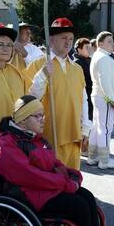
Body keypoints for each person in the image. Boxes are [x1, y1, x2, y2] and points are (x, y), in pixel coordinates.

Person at [0, 95, 100, 226]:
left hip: (44, 190)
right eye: (37, 116)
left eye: (43, 115)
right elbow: (30, 176)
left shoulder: (36, 139)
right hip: (27, 196)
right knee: (79, 206)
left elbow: (55, 164)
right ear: (23, 119)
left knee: (87, 197)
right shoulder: (7, 144)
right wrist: (63, 183)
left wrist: (72, 175)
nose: (43, 120)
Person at [26, 18, 90, 170]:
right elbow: (31, 99)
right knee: (52, 177)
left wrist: (86, 128)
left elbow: (84, 100)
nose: (68, 42)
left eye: (70, 39)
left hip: (74, 133)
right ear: (51, 39)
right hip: (50, 133)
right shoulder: (38, 64)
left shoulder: (77, 68)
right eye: (63, 38)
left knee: (72, 178)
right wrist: (42, 75)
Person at [87, 31, 114, 169]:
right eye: (109, 41)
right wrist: (112, 100)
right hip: (105, 98)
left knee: (98, 127)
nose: (112, 43)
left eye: (112, 41)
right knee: (105, 129)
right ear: (100, 43)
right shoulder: (103, 57)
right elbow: (105, 82)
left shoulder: (99, 56)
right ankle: (104, 160)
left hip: (100, 97)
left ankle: (93, 156)